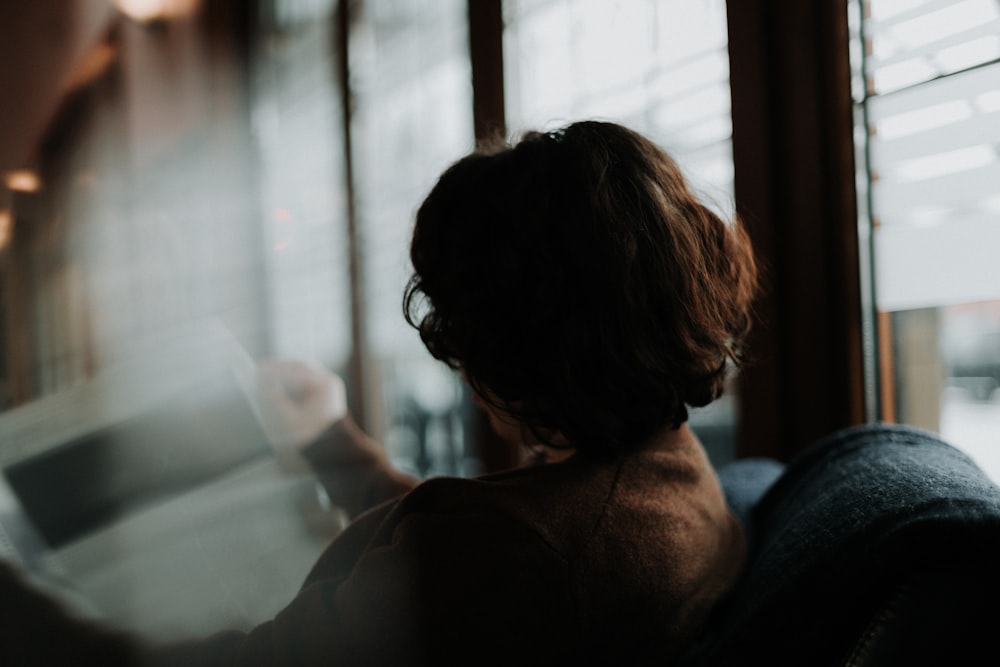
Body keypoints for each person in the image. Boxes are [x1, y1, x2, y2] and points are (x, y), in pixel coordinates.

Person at [0, 120, 757, 665]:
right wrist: (331, 438)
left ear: (506, 343)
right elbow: (480, 545)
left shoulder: (527, 557)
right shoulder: (665, 469)